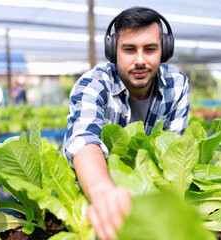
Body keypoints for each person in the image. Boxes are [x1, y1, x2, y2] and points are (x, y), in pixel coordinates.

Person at [63, 7, 189, 240]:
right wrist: (103, 193)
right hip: (99, 186)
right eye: (129, 50)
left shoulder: (178, 84)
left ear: (165, 50)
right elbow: (83, 140)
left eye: (150, 49)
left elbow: (174, 150)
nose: (140, 60)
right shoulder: (93, 83)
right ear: (113, 52)